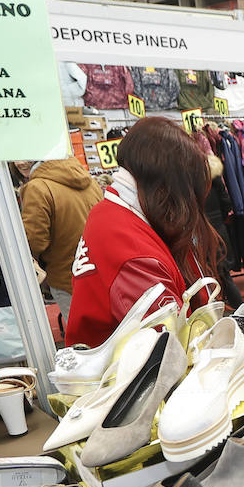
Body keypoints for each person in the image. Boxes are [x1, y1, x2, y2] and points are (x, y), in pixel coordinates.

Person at [66, 117, 222, 348]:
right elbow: (175, 346)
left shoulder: (113, 213)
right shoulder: (131, 250)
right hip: (128, 377)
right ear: (167, 187)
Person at [16, 158, 103, 321]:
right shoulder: (87, 178)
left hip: (66, 276)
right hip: (98, 270)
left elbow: (34, 239)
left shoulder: (37, 188)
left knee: (83, 339)